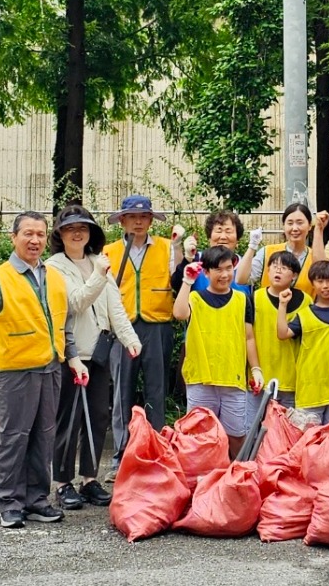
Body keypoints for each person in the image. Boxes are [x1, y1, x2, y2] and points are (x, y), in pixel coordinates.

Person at [0, 211, 89, 529]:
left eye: (40, 234)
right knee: (14, 437)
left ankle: (36, 499)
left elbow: (63, 324)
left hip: (50, 368)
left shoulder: (55, 276)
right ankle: (9, 502)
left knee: (44, 436)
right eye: (28, 234)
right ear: (13, 237)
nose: (35, 240)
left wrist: (73, 357)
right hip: (15, 370)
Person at [45, 205, 142, 510]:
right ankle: (62, 483)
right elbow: (74, 303)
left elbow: (115, 307)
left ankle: (89, 478)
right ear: (60, 234)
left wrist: (130, 338)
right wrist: (99, 276)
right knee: (69, 419)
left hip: (99, 353)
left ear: (91, 234)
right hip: (71, 353)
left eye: (83, 228)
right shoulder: (54, 267)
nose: (77, 233)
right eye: (71, 228)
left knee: (98, 417)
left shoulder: (97, 262)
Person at [103, 195, 180, 482]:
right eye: (132, 216)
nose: (138, 221)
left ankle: (156, 452)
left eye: (144, 216)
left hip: (157, 324)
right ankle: (120, 456)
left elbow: (178, 276)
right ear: (122, 220)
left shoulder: (166, 247)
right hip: (121, 326)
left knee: (156, 391)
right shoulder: (108, 252)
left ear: (150, 220)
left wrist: (182, 249)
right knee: (121, 391)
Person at [173, 246, 263, 459]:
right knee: (198, 436)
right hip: (200, 379)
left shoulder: (243, 299)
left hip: (233, 378)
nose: (225, 274)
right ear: (206, 273)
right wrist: (186, 281)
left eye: (228, 268)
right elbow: (178, 313)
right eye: (218, 270)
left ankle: (237, 476)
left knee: (236, 435)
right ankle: (200, 482)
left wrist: (256, 368)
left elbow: (249, 337)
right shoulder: (194, 298)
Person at [277, 260, 329, 425]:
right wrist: (282, 305)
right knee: (308, 441)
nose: (325, 286)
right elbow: (283, 334)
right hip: (309, 390)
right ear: (312, 283)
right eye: (320, 281)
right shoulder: (304, 315)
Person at [250, 250, 312, 415]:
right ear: (267, 271)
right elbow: (247, 337)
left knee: (287, 430)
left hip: (292, 377)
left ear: (294, 275)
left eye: (284, 268)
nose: (278, 270)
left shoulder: (306, 301)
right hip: (260, 377)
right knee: (255, 429)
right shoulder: (254, 298)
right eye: (274, 266)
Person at [236, 203, 315, 297]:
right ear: (283, 226)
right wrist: (252, 246)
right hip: (268, 310)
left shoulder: (316, 258)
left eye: (300, 223)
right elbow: (241, 280)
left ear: (309, 226)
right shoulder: (267, 252)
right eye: (290, 223)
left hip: (304, 310)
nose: (294, 228)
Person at [170, 209, 251, 295]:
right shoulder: (197, 260)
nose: (223, 236)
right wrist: (187, 258)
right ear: (209, 237)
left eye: (228, 231)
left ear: (237, 239)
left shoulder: (246, 265)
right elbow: (177, 286)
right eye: (218, 231)